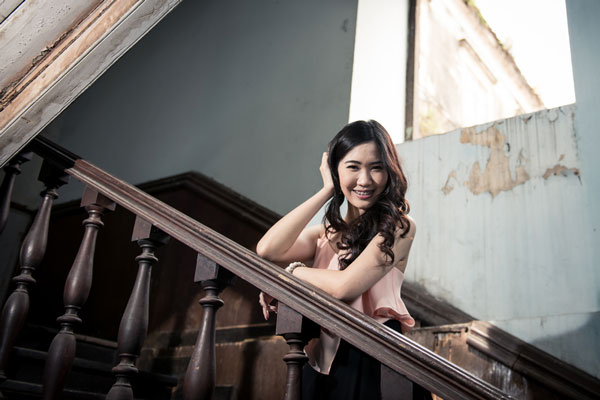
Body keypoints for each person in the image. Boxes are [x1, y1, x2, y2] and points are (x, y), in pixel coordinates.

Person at [256, 120, 425, 400]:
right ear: (336, 171)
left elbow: (344, 286)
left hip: (372, 359)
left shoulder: (399, 227)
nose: (365, 180)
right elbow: (267, 249)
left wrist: (292, 272)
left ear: (389, 172)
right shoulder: (326, 234)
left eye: (377, 167)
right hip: (323, 362)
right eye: (353, 167)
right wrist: (326, 191)